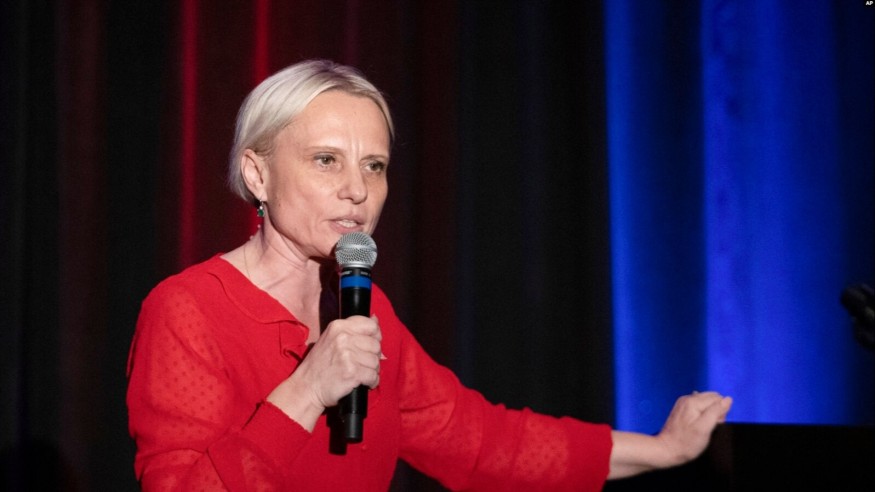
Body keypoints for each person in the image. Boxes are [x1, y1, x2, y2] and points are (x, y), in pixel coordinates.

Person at [126, 59, 733, 491]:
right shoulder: (188, 310)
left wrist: (662, 450)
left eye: (374, 165)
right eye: (326, 160)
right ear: (257, 175)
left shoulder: (365, 309)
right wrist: (307, 391)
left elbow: (482, 443)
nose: (357, 189)